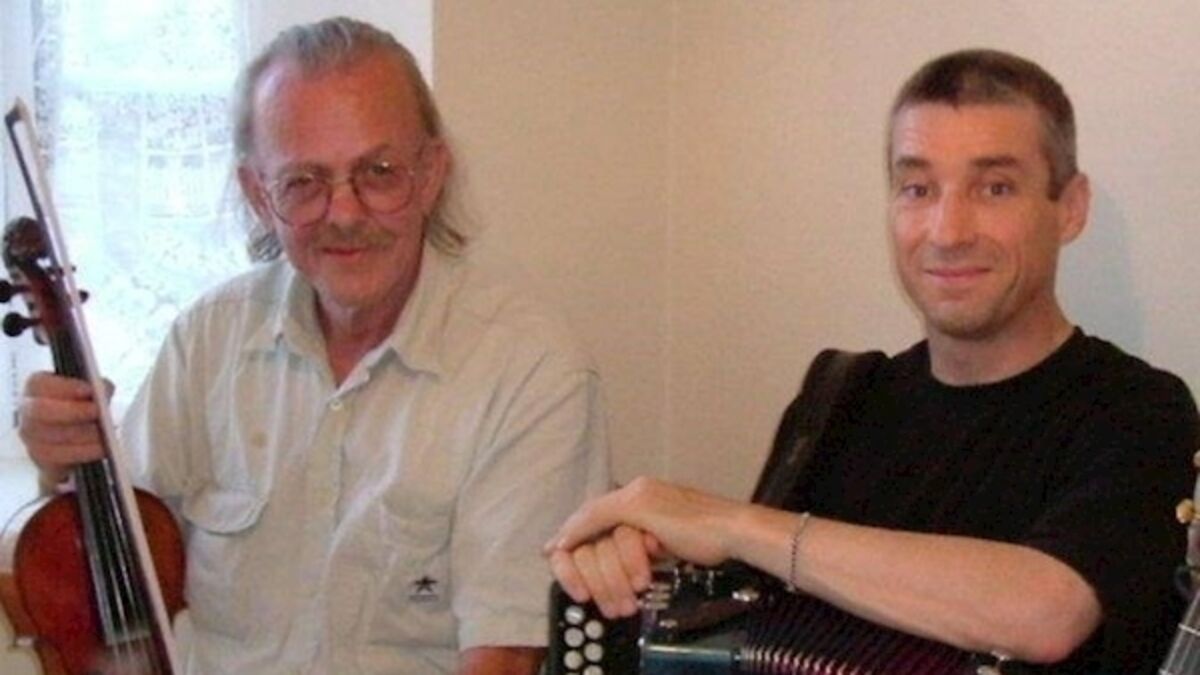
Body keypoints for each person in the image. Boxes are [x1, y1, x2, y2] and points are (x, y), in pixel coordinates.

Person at [546, 49, 1198, 673]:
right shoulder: (840, 398)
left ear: (1070, 209)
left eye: (995, 187)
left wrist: (728, 522)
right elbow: (748, 593)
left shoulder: (1139, 410)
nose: (948, 231)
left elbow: (1048, 614)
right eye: (917, 188)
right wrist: (635, 557)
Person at [19, 16, 608, 675]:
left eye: (378, 172)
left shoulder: (531, 369)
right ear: (258, 195)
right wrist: (64, 460)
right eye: (303, 182)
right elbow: (125, 567)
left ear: (431, 173)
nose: (345, 214)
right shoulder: (207, 339)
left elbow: (505, 657)